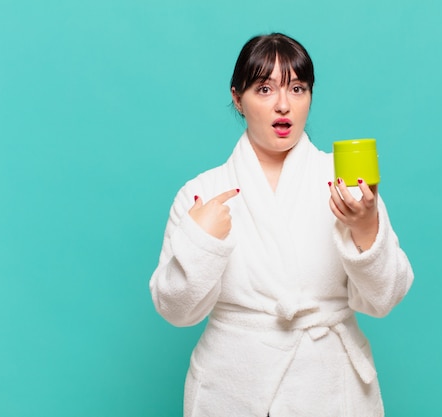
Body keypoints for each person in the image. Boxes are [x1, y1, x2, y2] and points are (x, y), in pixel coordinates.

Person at [149, 32, 414, 417]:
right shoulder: (201, 193)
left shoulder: (345, 184)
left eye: (297, 87)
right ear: (238, 98)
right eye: (265, 89)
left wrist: (365, 227)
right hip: (232, 387)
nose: (283, 105)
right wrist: (202, 241)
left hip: (327, 387)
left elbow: (385, 299)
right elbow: (176, 311)